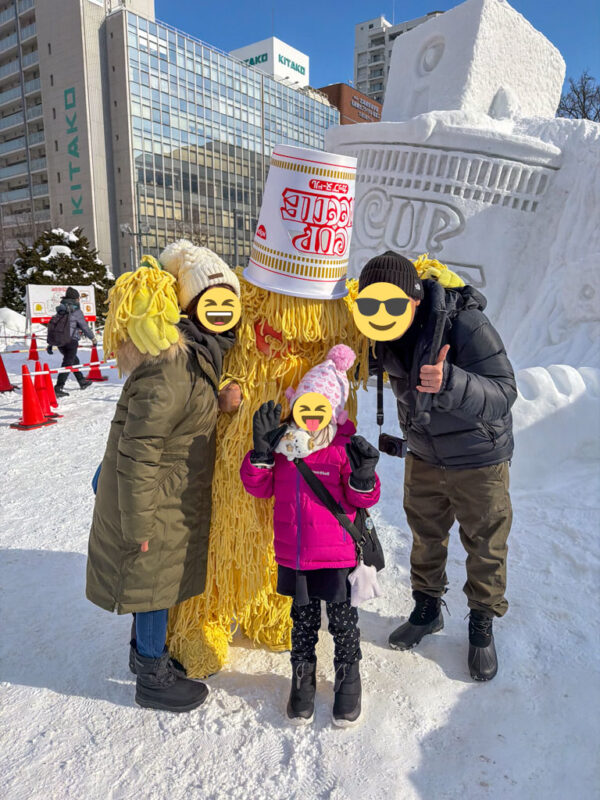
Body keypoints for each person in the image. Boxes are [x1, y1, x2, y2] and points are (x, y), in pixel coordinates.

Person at [86, 244, 241, 712]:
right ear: (190, 307)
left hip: (167, 490)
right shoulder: (174, 361)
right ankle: (152, 677)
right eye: (209, 300)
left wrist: (217, 403)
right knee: (152, 585)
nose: (221, 309)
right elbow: (139, 449)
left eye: (227, 300)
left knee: (155, 581)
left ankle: (145, 657)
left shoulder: (195, 355)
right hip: (151, 493)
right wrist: (139, 525)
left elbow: (178, 416)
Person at [358, 251, 516, 681]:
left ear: (413, 298)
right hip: (425, 453)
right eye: (370, 305)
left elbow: (505, 391)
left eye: (392, 303)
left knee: (485, 543)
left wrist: (450, 381)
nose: (381, 313)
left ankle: (481, 624)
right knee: (425, 536)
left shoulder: (464, 323)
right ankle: (427, 610)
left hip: (478, 456)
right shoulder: (380, 331)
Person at [240, 345, 380, 726]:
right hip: (296, 555)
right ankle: (302, 676)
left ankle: (348, 675)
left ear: (333, 409)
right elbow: (259, 488)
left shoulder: (342, 447)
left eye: (321, 406)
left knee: (342, 621)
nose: (313, 415)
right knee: (300, 622)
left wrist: (364, 475)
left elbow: (362, 497)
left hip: (336, 557)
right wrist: (259, 453)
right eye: (306, 405)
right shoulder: (285, 446)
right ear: (296, 405)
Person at [46, 287, 97, 397]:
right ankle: (58, 387)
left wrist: (50, 343)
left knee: (74, 360)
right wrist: (93, 339)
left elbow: (55, 327)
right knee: (67, 363)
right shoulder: (76, 311)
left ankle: (82, 381)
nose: (79, 300)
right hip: (71, 341)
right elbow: (85, 327)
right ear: (75, 299)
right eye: (78, 298)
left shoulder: (60, 309)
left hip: (60, 341)